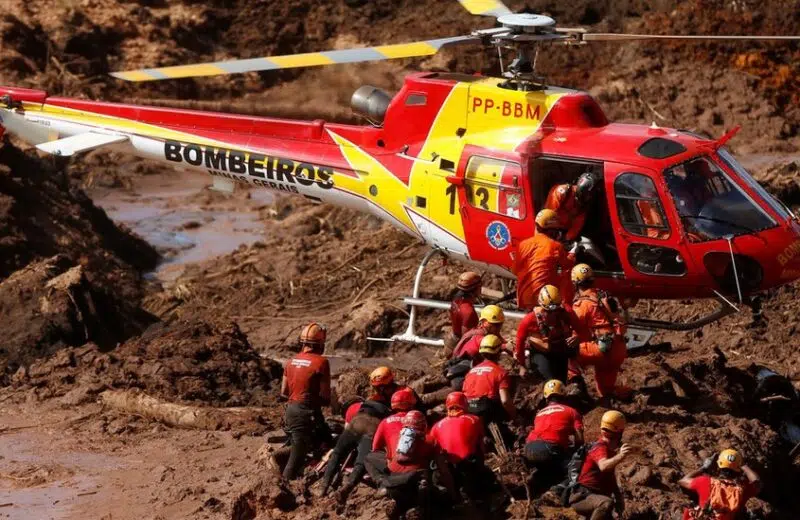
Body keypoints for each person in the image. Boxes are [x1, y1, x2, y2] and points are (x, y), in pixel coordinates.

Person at [318, 367, 396, 499]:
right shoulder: (392, 399)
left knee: (337, 454)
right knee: (361, 462)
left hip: (357, 421)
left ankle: (323, 488)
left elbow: (347, 424)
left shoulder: (370, 397)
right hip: (373, 427)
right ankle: (347, 488)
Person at [569, 264, 630, 401]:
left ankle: (576, 384)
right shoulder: (606, 296)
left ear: (575, 283)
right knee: (604, 390)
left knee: (565, 353)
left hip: (600, 349)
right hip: (618, 349)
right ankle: (622, 396)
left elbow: (574, 328)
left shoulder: (582, 304)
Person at [280, 323, 332, 480]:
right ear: (321, 344)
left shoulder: (290, 361)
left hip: (291, 410)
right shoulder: (321, 362)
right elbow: (325, 396)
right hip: (305, 412)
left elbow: (283, 392)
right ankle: (283, 485)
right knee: (298, 455)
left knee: (322, 436)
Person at [383, 410, 458, 516]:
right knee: (441, 499)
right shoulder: (431, 440)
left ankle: (398, 504)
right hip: (417, 487)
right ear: (423, 425)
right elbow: (444, 471)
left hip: (392, 483)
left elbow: (388, 460)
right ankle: (416, 511)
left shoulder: (394, 437)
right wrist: (452, 494)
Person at [570, 410, 630, 520]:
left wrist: (619, 498)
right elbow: (603, 466)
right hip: (583, 497)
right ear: (619, 432)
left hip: (594, 497)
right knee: (606, 503)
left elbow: (610, 479)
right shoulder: (600, 447)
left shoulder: (609, 451)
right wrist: (621, 456)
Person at [523, 380, 584, 489]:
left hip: (529, 449)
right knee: (576, 469)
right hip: (549, 449)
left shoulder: (539, 414)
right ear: (564, 395)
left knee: (549, 464)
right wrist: (577, 453)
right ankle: (558, 489)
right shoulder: (571, 411)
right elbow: (579, 438)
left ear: (546, 398)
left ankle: (538, 479)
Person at [512, 209, 575, 310]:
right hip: (546, 297)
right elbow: (567, 265)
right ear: (552, 230)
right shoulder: (556, 246)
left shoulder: (522, 245)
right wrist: (573, 254)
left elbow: (514, 270)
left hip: (525, 297)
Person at [428, 391, 488, 497]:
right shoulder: (474, 419)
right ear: (465, 404)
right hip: (468, 467)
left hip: (447, 469)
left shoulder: (436, 426)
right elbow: (481, 446)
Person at [515, 285, 580, 381]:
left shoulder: (567, 313)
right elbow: (519, 343)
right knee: (550, 381)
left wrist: (577, 336)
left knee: (561, 382)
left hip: (561, 349)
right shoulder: (529, 320)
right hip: (541, 352)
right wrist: (521, 365)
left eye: (555, 311)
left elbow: (581, 329)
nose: (552, 315)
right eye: (548, 312)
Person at [678, 449, 761, 520]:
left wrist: (704, 468)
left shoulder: (705, 482)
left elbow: (683, 481)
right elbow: (757, 482)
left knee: (690, 510)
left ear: (718, 467)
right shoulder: (741, 491)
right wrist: (743, 465)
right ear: (738, 471)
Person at [364, 387, 419, 487]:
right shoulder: (419, 419)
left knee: (368, 457)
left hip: (395, 469)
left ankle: (381, 482)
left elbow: (375, 447)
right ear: (411, 404)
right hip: (419, 468)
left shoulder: (385, 422)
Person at [463, 335, 515, 439]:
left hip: (469, 410)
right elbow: (505, 400)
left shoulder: (470, 372)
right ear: (499, 352)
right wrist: (514, 416)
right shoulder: (500, 372)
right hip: (488, 412)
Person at [444, 305, 506, 393]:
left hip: (462, 368)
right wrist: (506, 347)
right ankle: (428, 398)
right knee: (467, 389)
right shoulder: (480, 335)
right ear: (483, 322)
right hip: (460, 371)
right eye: (495, 324)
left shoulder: (488, 332)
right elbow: (490, 345)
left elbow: (503, 342)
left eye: (499, 324)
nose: (498, 327)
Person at [545, 173, 598, 242]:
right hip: (548, 228)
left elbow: (577, 225)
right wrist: (553, 236)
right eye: (587, 195)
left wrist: (566, 239)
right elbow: (548, 215)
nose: (588, 198)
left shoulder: (584, 205)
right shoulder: (562, 192)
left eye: (590, 196)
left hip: (564, 231)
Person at [445, 271, 482, 355]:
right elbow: (466, 339)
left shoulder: (456, 300)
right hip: (460, 348)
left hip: (452, 340)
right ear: (476, 288)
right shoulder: (469, 312)